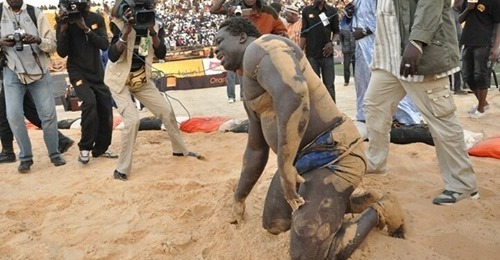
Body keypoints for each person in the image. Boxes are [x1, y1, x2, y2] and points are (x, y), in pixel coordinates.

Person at [215, 17, 405, 259]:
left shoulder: (262, 47)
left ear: (241, 36)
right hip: (301, 161)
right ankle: (357, 202)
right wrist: (240, 197)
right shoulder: (250, 83)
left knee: (308, 254)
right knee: (274, 222)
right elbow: (256, 148)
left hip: (335, 154)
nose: (216, 49)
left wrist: (284, 166)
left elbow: (294, 95)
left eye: (220, 41)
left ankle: (379, 211)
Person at [364, 0, 479, 205]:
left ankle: (463, 185)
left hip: (419, 57)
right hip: (387, 59)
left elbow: (430, 3)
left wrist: (417, 41)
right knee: (374, 107)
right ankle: (375, 164)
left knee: (441, 119)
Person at [105, 0, 202, 181]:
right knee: (133, 121)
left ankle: (180, 150)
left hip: (141, 79)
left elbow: (162, 53)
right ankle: (122, 169)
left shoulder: (156, 24)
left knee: (167, 112)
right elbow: (112, 55)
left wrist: (152, 32)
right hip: (119, 81)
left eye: (150, 7)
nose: (147, 10)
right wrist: (125, 32)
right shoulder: (119, 23)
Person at [0, 0, 66, 173]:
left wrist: (37, 40)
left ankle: (54, 153)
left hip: (39, 71)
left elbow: (52, 45)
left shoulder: (35, 13)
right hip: (12, 71)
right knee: (13, 115)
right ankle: (25, 157)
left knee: (48, 114)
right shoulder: (0, 12)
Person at [56, 0, 117, 164]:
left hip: (97, 71)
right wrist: (63, 30)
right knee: (89, 103)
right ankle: (85, 148)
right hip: (77, 71)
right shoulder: (64, 20)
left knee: (105, 106)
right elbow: (62, 53)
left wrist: (86, 29)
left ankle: (101, 149)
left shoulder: (96, 18)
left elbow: (104, 45)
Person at [348, 0, 421, 125]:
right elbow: (352, 22)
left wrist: (365, 31)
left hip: (378, 47)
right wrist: (349, 14)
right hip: (361, 47)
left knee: (390, 84)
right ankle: (364, 117)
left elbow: (388, 19)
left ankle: (407, 119)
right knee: (363, 85)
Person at [210, 0, 287, 103]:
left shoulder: (268, 12)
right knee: (250, 98)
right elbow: (214, 10)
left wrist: (268, 41)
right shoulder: (234, 10)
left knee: (269, 96)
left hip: (265, 62)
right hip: (243, 63)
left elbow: (281, 32)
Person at [0, 87, 75, 164]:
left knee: (5, 111)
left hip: (14, 78)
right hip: (17, 78)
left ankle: (7, 151)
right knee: (28, 109)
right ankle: (60, 138)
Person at [459, 0, 500, 118]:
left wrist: (496, 47)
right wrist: (468, 8)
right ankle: (483, 103)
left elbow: (498, 24)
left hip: (484, 42)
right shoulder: (468, 1)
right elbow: (459, 19)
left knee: (480, 74)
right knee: (467, 75)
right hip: (467, 41)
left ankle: (481, 108)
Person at [299, 0, 340, 102]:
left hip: (327, 55)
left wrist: (332, 43)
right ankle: (317, 114)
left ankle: (332, 113)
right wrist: (299, 52)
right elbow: (303, 33)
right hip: (312, 55)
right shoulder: (306, 11)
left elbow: (337, 32)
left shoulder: (332, 11)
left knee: (329, 86)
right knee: (314, 87)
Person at [339, 8, 355, 86]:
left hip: (355, 48)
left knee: (356, 66)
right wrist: (344, 45)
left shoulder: (355, 23)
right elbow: (341, 38)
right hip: (346, 49)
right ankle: (346, 81)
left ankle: (357, 79)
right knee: (346, 66)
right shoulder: (342, 25)